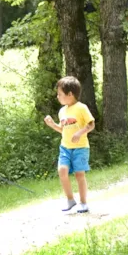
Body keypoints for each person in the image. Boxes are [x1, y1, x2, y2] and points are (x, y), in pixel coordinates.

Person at [44, 76, 96, 213]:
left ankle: (83, 202)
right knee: (62, 171)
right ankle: (70, 199)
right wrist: (52, 125)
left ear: (70, 94)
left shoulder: (81, 108)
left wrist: (80, 133)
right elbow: (62, 130)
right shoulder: (62, 111)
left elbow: (91, 124)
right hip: (65, 147)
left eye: (60, 94)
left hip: (81, 147)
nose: (58, 97)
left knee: (79, 175)